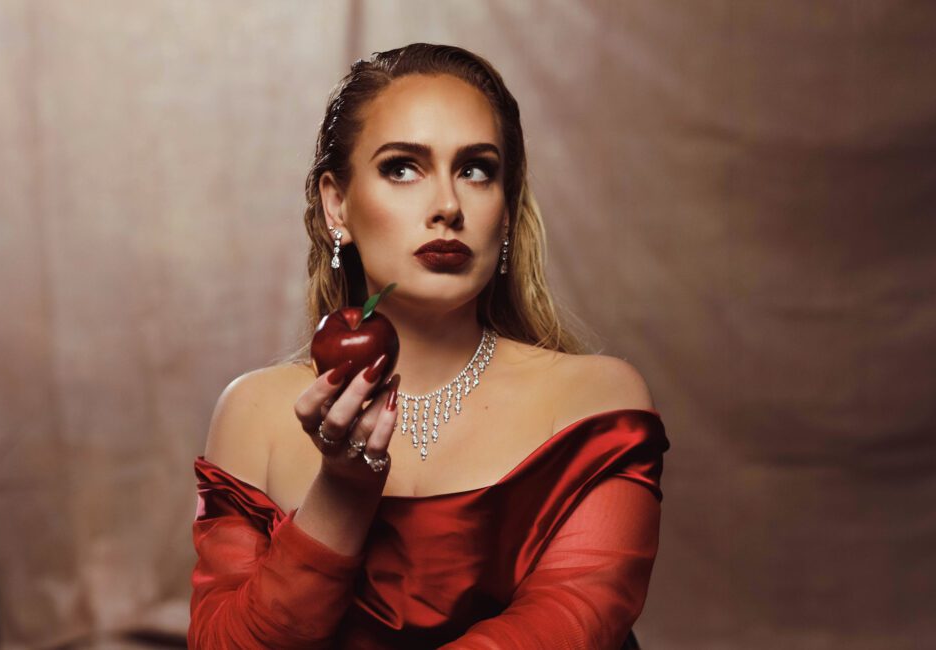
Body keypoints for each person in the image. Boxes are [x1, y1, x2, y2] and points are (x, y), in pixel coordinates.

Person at [188, 43, 669, 649]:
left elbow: (568, 624)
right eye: (402, 168)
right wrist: (341, 492)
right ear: (337, 205)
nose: (447, 206)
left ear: (505, 211)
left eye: (476, 170)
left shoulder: (597, 402)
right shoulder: (254, 413)